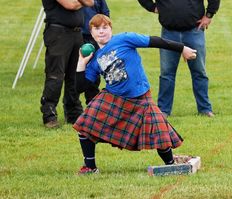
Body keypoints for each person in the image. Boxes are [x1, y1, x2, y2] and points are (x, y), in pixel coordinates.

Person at [73, 14, 197, 174]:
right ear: (91, 32)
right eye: (97, 29)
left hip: (140, 96)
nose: (101, 32)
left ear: (111, 29)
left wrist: (182, 48)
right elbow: (80, 87)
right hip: (114, 98)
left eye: (105, 27)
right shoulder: (95, 59)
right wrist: (81, 63)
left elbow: (154, 41)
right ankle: (90, 167)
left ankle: (171, 163)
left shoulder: (125, 39)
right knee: (85, 125)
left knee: (160, 132)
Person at [135, 0, 221, 118]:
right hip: (169, 34)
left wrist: (209, 15)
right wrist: (152, 8)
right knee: (166, 74)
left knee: (199, 72)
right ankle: (164, 111)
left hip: (193, 32)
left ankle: (205, 109)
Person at [40, 0, 94, 128]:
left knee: (74, 75)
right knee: (56, 75)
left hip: (76, 34)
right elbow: (71, 4)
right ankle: (49, 115)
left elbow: (91, 1)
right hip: (58, 34)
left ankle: (73, 113)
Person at [76, 0, 110, 104]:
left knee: (95, 73)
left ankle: (93, 107)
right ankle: (73, 111)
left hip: (95, 39)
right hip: (77, 37)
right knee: (76, 72)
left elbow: (105, 14)